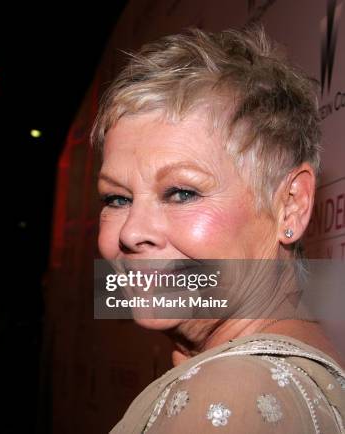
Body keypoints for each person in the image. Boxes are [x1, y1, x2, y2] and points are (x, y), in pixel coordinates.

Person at [91, 25, 345, 433]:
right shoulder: (300, 366)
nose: (131, 232)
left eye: (181, 192)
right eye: (117, 199)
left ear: (291, 205)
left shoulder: (228, 396)